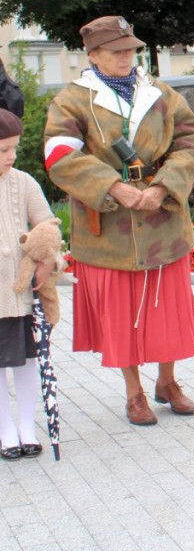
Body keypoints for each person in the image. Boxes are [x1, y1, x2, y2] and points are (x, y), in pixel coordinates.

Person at [43, 16, 194, 424]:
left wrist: (163, 187)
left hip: (161, 221)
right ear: (92, 55)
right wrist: (113, 187)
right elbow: (59, 155)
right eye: (115, 51)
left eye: (130, 50)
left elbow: (189, 142)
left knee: (166, 308)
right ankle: (134, 393)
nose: (125, 57)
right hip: (108, 229)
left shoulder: (160, 93)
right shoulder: (72, 100)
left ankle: (167, 382)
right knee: (121, 315)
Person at [0, 109, 54, 459]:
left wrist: (47, 259)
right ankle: (5, 431)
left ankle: (27, 427)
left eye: (14, 148)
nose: (12, 156)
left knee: (27, 360)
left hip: (20, 295)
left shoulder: (24, 182)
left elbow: (47, 223)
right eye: (4, 149)